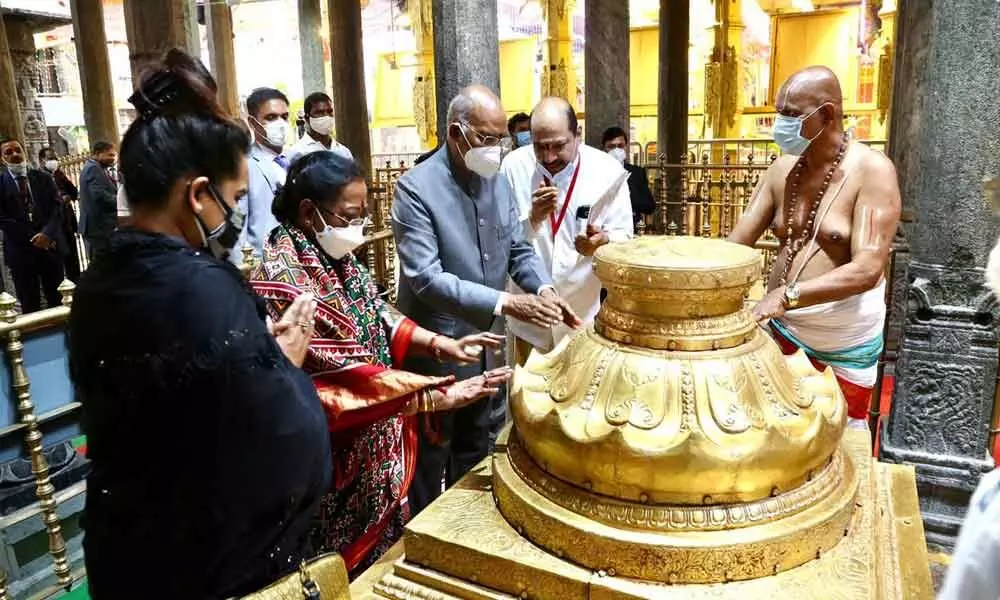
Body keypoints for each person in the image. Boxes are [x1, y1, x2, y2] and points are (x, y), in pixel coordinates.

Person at [68, 49, 331, 600]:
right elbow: (287, 439)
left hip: (124, 545)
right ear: (196, 195)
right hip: (205, 563)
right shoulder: (206, 286)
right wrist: (285, 366)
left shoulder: (100, 280)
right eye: (234, 199)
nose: (237, 215)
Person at [251, 151, 512, 575]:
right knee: (335, 569)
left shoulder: (338, 258)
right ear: (308, 212)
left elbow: (377, 314)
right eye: (349, 216)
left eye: (363, 215)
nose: (359, 227)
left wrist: (441, 344)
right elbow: (346, 377)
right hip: (330, 460)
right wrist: (436, 394)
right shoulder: (284, 279)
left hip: (377, 445)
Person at [392, 85, 579, 516]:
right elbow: (425, 279)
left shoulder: (495, 181)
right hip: (436, 352)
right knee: (431, 457)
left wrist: (543, 288)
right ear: (456, 135)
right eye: (487, 138)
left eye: (503, 139)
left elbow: (517, 247)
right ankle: (425, 544)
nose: (498, 149)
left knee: (480, 448)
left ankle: (469, 533)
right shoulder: (415, 190)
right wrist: (506, 303)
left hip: (489, 348)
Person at [727, 66, 900, 427]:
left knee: (836, 440)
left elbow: (868, 269)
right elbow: (735, 245)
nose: (779, 124)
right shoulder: (782, 170)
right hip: (778, 329)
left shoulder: (872, 171)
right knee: (770, 431)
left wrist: (788, 295)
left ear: (826, 115)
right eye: (779, 112)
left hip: (839, 337)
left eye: (791, 115)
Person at [500, 97, 634, 362]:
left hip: (582, 315)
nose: (549, 157)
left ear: (578, 136)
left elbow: (626, 238)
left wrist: (601, 243)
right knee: (527, 396)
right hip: (530, 316)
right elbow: (501, 239)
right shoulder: (513, 167)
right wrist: (533, 219)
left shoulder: (607, 170)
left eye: (558, 146)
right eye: (540, 147)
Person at [0, 138, 65, 310]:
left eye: (17, 150)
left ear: (24, 152)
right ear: (2, 158)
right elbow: (3, 219)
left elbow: (57, 208)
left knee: (58, 299)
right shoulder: (1, 183)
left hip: (49, 246)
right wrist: (35, 237)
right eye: (8, 152)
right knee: (30, 302)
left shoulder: (42, 178)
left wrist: (47, 234)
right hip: (20, 250)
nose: (14, 154)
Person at [233, 86, 289, 264]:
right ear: (252, 122)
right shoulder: (245, 166)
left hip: (298, 266)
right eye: (271, 117)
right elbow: (237, 225)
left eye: (285, 117)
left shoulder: (294, 161)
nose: (280, 123)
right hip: (263, 268)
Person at [39, 147, 81, 281]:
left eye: (55, 158)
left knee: (72, 258)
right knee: (57, 260)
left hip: (67, 223)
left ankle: (76, 283)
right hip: (53, 227)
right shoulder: (39, 178)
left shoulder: (59, 175)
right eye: (50, 158)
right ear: (42, 161)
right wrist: (59, 200)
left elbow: (74, 192)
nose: (53, 161)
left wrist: (67, 196)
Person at [601, 126, 655, 227]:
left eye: (620, 146)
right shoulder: (596, 173)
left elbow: (649, 206)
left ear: (626, 147)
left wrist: (629, 193)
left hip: (631, 226)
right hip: (604, 227)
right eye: (611, 147)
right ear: (604, 148)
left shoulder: (637, 172)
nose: (616, 150)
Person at [285, 92, 353, 164]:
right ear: (307, 118)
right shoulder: (297, 153)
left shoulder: (344, 152)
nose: (326, 116)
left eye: (329, 111)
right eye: (319, 112)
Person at [78, 141, 118, 262]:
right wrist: (121, 203)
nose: (112, 159)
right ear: (97, 154)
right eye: (109, 155)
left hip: (98, 228)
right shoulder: (93, 168)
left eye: (114, 155)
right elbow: (99, 195)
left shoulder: (97, 168)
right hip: (97, 228)